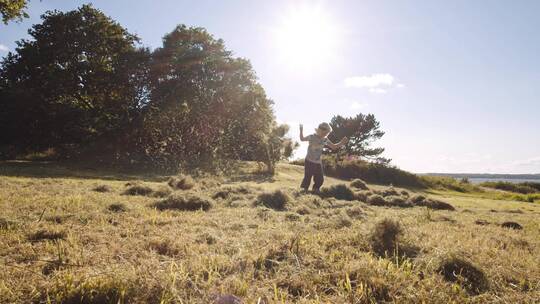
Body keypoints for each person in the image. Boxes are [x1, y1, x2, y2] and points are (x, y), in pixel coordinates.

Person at [299, 122, 348, 193]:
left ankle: (315, 189)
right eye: (324, 133)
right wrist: (301, 130)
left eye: (326, 134)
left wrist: (342, 142)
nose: (325, 135)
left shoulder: (325, 139)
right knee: (308, 177)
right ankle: (304, 189)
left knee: (320, 178)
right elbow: (302, 139)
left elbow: (333, 146)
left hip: (318, 162)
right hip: (309, 161)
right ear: (319, 130)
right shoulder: (311, 137)